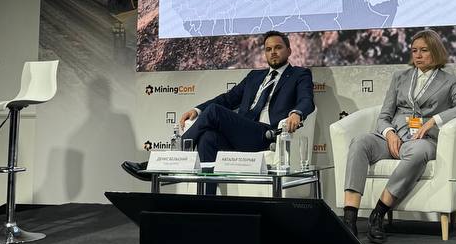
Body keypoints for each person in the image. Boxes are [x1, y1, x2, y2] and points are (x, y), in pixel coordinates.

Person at [342, 29, 456, 243]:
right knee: (359, 142)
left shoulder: (449, 81)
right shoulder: (400, 77)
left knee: (418, 152)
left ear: (436, 51)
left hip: (421, 140)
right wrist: (389, 133)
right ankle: (349, 220)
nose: (418, 55)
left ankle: (378, 214)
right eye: (414, 51)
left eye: (424, 50)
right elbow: (384, 116)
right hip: (393, 137)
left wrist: (434, 121)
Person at [123, 31, 314, 178]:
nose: (273, 52)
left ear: (289, 50)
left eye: (278, 47)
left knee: (214, 112)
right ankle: (208, 202)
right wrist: (198, 109)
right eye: (268, 49)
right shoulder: (255, 76)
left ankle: (166, 162)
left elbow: (306, 100)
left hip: (267, 135)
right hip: (243, 132)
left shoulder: (299, 74)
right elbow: (228, 99)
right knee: (208, 138)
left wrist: (297, 113)